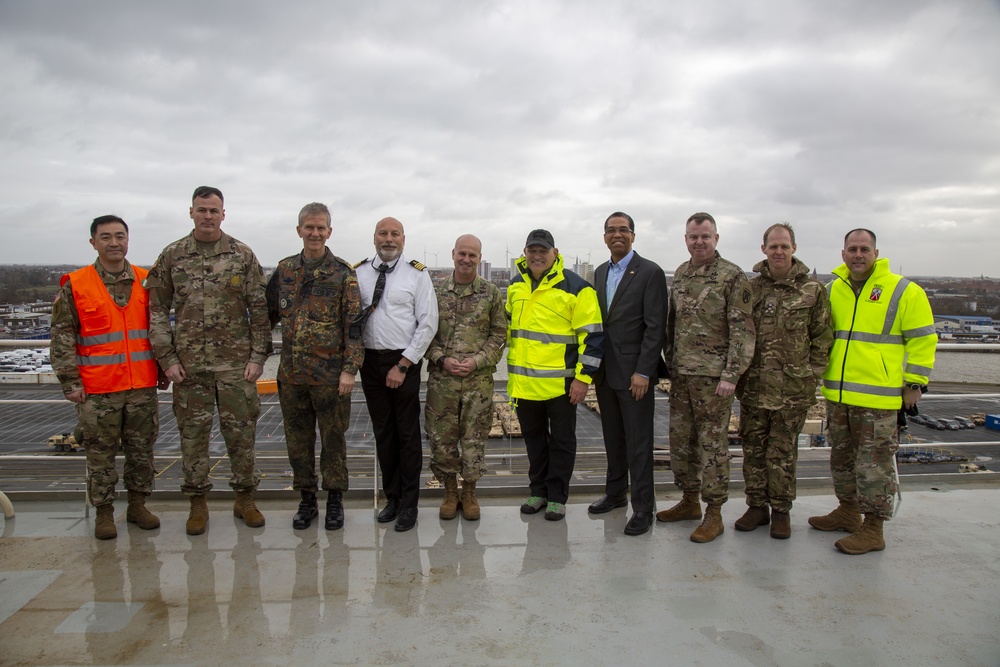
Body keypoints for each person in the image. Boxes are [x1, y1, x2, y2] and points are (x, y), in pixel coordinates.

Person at [146, 186, 272, 535]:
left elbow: (260, 311)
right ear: (191, 212)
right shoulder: (173, 255)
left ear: (223, 214)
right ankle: (197, 504)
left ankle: (245, 498)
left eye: (213, 210)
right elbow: (155, 312)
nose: (207, 216)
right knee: (193, 439)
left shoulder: (241, 254)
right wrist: (167, 359)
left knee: (242, 438)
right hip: (190, 370)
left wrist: (259, 356)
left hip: (235, 368)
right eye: (201, 210)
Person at [809, 229, 936, 554]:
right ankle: (848, 512)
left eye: (864, 249)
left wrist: (915, 383)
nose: (858, 255)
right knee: (842, 459)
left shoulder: (903, 290)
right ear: (843, 254)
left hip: (879, 398)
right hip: (838, 396)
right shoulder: (832, 289)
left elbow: (923, 339)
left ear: (876, 253)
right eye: (852, 249)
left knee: (874, 464)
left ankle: (874, 528)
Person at [51, 215, 165, 540]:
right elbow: (61, 336)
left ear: (128, 240)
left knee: (142, 453)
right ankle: (104, 513)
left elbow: (158, 330)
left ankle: (138, 506)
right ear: (93, 242)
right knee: (100, 456)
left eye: (119, 236)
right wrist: (70, 382)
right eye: (106, 237)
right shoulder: (77, 284)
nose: (114, 242)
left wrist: (162, 370)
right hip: (98, 390)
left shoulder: (147, 281)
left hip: (141, 386)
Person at [657, 212, 755, 543]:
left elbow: (743, 330)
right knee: (681, 442)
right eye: (693, 236)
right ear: (686, 239)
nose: (699, 241)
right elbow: (673, 325)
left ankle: (714, 511)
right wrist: (670, 362)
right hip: (682, 376)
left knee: (712, 446)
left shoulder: (732, 276)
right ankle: (688, 501)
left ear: (716, 238)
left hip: (715, 380)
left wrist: (731, 374)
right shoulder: (682, 274)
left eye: (705, 236)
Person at [266, 203, 364, 531]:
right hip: (292, 376)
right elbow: (266, 317)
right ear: (299, 231)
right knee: (298, 441)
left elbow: (354, 326)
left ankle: (335, 499)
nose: (315, 233)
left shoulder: (342, 272)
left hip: (330, 377)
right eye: (309, 227)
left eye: (321, 228)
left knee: (333, 440)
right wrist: (255, 356)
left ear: (329, 232)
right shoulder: (284, 270)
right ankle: (307, 499)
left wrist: (350, 369)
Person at [735, 223, 833, 539]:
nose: (779, 251)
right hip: (753, 387)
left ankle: (781, 511)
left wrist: (812, 376)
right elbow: (738, 332)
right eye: (773, 246)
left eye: (784, 246)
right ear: (763, 249)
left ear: (793, 248)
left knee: (782, 453)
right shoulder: (752, 289)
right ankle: (756, 507)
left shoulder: (812, 291)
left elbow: (822, 338)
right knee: (753, 449)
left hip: (792, 390)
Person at [507, 229, 603, 521]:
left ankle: (557, 497)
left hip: (561, 386)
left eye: (543, 251)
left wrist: (583, 378)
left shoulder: (577, 288)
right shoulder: (515, 286)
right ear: (525, 253)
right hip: (524, 385)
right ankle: (538, 491)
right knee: (534, 442)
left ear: (555, 253)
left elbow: (594, 338)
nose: (537, 256)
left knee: (562, 442)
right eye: (532, 250)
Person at [356, 217, 438, 532]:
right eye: (383, 233)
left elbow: (428, 322)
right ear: (374, 237)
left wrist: (404, 364)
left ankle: (410, 505)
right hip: (370, 362)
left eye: (394, 234)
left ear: (403, 238)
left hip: (403, 361)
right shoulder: (360, 272)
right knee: (383, 434)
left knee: (407, 435)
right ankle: (393, 499)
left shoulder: (416, 275)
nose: (388, 239)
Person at [588, 212, 667, 536]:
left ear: (633, 235)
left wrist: (644, 372)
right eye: (611, 230)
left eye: (623, 230)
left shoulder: (650, 272)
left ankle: (644, 508)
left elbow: (655, 328)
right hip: (606, 373)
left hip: (634, 375)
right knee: (613, 440)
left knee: (639, 443)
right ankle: (616, 493)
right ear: (604, 237)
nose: (617, 235)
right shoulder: (601, 271)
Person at [424, 234, 506, 521]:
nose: (466, 259)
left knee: (475, 439)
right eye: (462, 253)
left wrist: (477, 361)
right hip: (442, 384)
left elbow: (499, 335)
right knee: (441, 440)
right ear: (453, 254)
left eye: (472, 255)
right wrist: (442, 360)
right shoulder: (434, 293)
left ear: (479, 258)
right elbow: (424, 335)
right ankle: (449, 491)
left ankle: (469, 492)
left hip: (477, 383)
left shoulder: (491, 293)